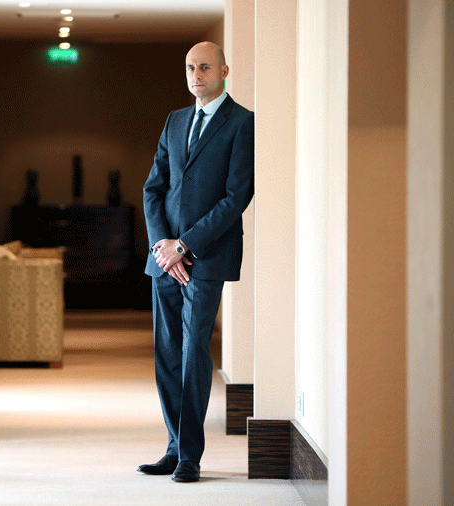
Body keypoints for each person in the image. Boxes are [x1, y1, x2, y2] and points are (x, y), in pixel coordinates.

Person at [139, 41, 254, 483]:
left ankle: (190, 455)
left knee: (192, 351)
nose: (196, 74)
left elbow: (236, 197)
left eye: (205, 67)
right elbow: (154, 188)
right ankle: (173, 447)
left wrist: (184, 245)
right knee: (167, 353)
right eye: (190, 67)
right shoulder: (175, 120)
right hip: (164, 261)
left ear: (224, 70)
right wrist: (162, 248)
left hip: (206, 258)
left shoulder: (242, 123)